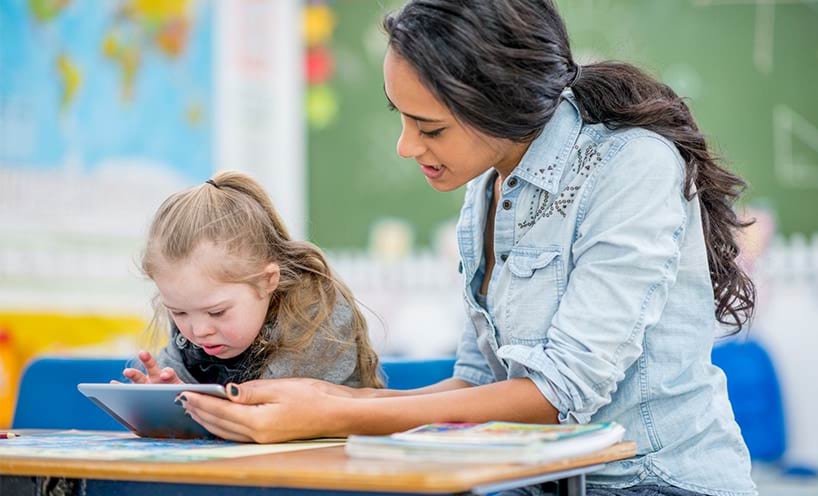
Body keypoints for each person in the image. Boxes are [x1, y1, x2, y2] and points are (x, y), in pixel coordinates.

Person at [178, 2, 757, 495]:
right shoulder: (486, 186)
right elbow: (480, 385)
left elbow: (560, 394)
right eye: (402, 119)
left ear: (500, 104)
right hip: (539, 479)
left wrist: (340, 414)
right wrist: (321, 396)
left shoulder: (631, 165)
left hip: (655, 481)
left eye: (429, 129)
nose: (407, 146)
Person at [122, 170, 382, 389]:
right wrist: (166, 400)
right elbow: (195, 410)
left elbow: (271, 413)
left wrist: (198, 406)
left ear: (267, 280)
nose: (199, 331)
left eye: (217, 312)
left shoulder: (316, 318)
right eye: (179, 312)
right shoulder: (196, 314)